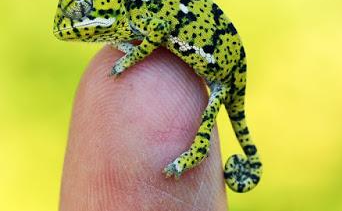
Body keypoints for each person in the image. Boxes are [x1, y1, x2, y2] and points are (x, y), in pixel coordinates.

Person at [59, 46, 228, 210]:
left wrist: (133, 57)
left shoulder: (138, 20)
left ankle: (198, 152)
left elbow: (159, 29)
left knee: (207, 116)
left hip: (223, 71)